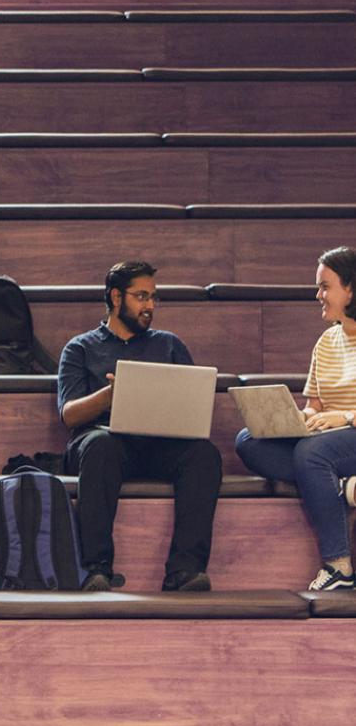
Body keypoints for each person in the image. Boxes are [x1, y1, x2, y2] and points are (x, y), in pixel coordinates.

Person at [57, 261, 222, 592]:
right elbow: (70, 414)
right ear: (116, 297)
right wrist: (112, 395)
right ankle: (96, 568)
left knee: (204, 454)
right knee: (100, 446)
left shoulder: (169, 344)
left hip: (159, 444)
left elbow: (193, 402)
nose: (149, 306)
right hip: (106, 442)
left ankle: (184, 570)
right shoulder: (80, 348)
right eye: (141, 296)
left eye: (153, 298)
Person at [237, 247, 356, 590]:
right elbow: (315, 404)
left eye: (325, 287)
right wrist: (300, 418)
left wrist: (345, 417)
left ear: (351, 288)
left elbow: (333, 416)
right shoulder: (326, 342)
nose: (318, 295)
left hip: (346, 434)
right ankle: (341, 485)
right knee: (249, 440)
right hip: (330, 441)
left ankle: (339, 567)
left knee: (312, 454)